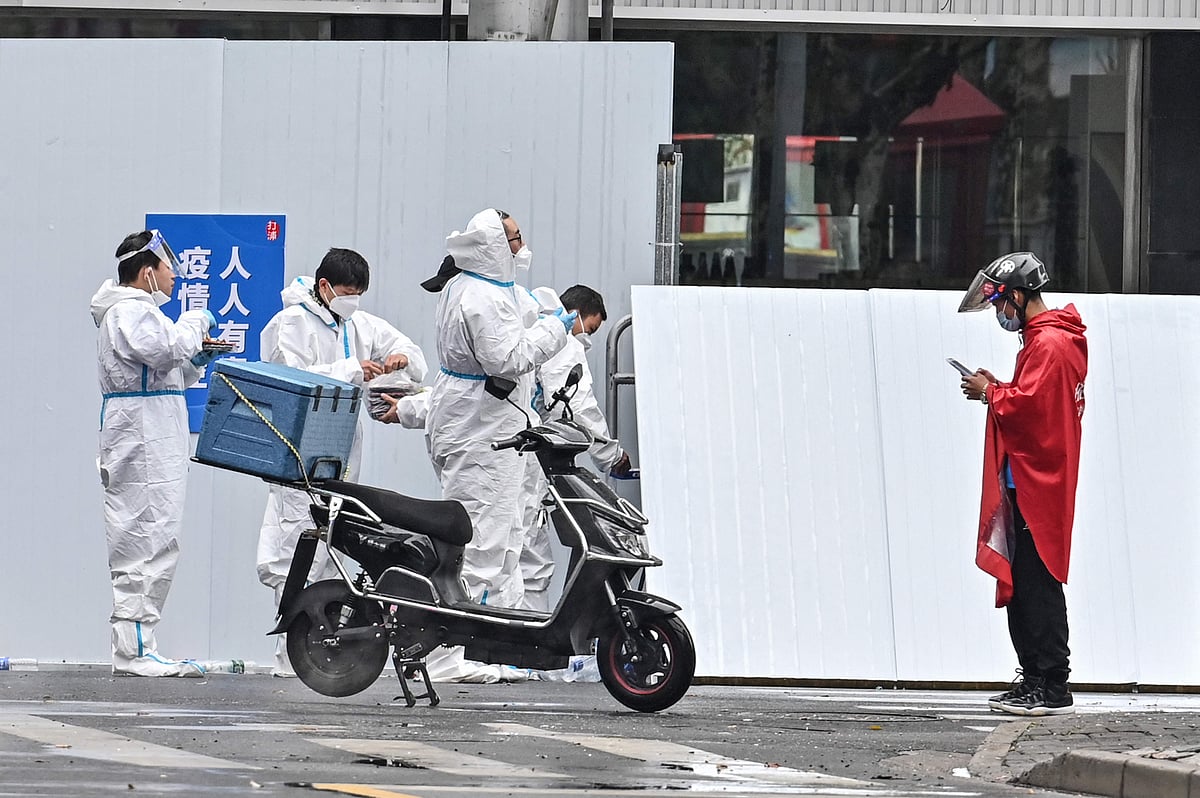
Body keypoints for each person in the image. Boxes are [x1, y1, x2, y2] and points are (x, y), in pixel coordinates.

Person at [419, 208, 575, 681]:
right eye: (512, 238)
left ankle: (489, 651)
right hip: (480, 430)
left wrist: (545, 317)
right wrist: (556, 329)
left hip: (490, 426)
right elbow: (507, 358)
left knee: (504, 542)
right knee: (479, 542)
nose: (520, 246)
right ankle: (449, 658)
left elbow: (520, 321)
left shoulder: (488, 289)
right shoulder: (478, 294)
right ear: (490, 245)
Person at [257, 247, 427, 677]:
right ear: (324, 287)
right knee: (295, 544)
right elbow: (291, 379)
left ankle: (314, 648)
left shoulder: (357, 323)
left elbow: (409, 354)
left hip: (341, 453)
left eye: (359, 294)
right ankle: (288, 652)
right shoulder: (289, 324)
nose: (353, 301)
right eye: (348, 292)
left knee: (331, 543)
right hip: (299, 451)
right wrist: (352, 369)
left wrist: (400, 360)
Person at [957, 251, 1087, 717]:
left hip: (1038, 483)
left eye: (998, 304)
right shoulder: (1045, 341)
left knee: (1037, 584)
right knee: (1025, 582)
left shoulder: (1049, 344)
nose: (999, 314)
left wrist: (990, 392)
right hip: (1028, 480)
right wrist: (999, 388)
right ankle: (1034, 677)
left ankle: (1052, 685)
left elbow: (1030, 407)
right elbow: (1033, 400)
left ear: (1015, 295)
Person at [92, 229, 218, 677]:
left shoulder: (137, 313)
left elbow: (168, 369)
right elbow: (166, 348)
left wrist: (198, 359)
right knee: (144, 536)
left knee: (155, 532)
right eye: (168, 272)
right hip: (142, 436)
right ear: (147, 272)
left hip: (151, 430)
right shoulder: (129, 312)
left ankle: (140, 642)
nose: (173, 281)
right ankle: (134, 649)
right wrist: (196, 323)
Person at [517, 284, 631, 612]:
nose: (589, 339)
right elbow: (578, 407)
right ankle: (529, 649)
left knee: (517, 551)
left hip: (525, 454)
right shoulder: (564, 344)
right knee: (532, 558)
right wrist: (611, 457)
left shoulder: (537, 334)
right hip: (534, 460)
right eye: (591, 329)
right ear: (577, 315)